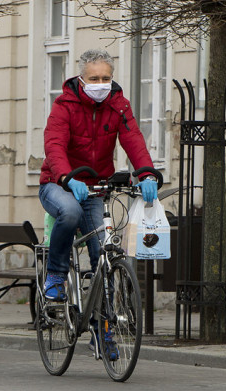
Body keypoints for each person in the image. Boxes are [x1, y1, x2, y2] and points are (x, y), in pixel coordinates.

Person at [39, 49, 161, 306]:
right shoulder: (64, 105)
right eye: (94, 79)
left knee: (102, 253)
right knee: (70, 211)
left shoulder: (119, 106)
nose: (100, 84)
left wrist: (147, 174)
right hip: (57, 183)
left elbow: (134, 141)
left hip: (96, 187)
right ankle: (56, 274)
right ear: (81, 79)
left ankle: (104, 332)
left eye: (106, 78)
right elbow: (54, 146)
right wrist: (66, 178)